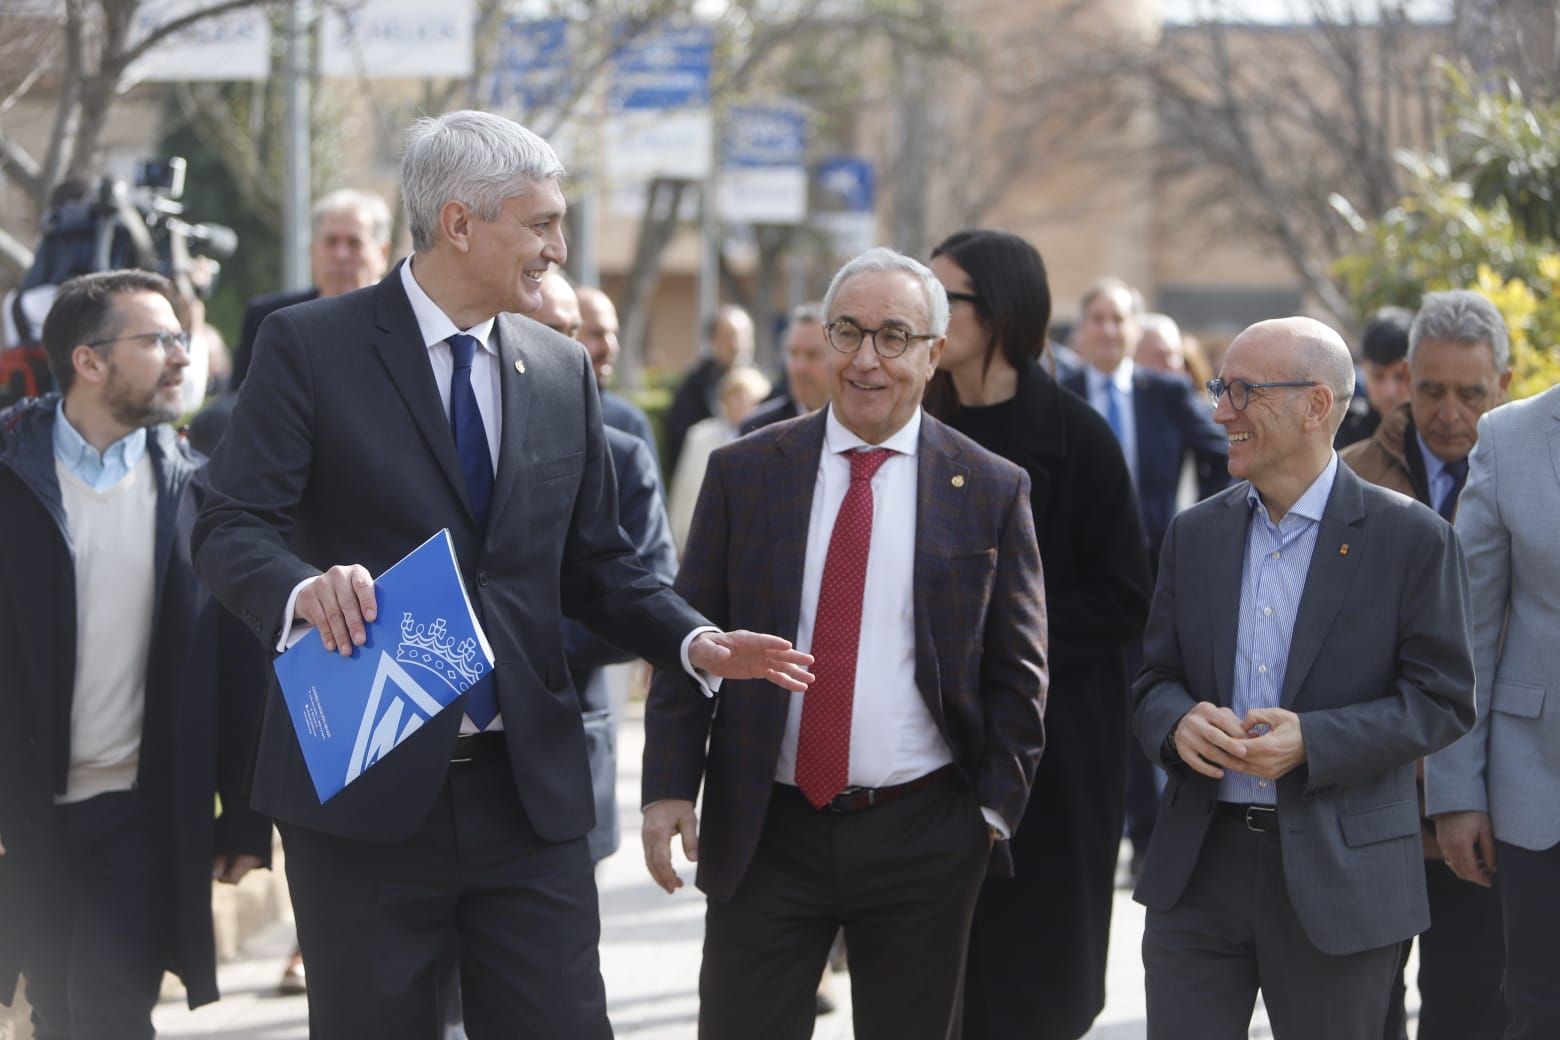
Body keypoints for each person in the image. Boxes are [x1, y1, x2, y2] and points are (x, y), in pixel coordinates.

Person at [191, 110, 812, 1038]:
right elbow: (231, 521)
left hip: (528, 798)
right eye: (541, 224)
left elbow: (599, 563)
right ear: (457, 223)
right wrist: (300, 589)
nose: (559, 248)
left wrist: (691, 637)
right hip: (364, 795)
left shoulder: (562, 369)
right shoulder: (309, 346)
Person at [641, 246, 1048, 1040]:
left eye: (894, 336)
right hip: (767, 828)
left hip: (924, 833)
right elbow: (689, 639)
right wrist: (666, 788)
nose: (868, 359)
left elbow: (1019, 670)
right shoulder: (747, 472)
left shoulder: (992, 489)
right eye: (849, 332)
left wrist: (989, 817)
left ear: (935, 353)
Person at [1132, 316, 1476, 1040]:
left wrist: (1313, 742)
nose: (1220, 410)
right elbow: (1151, 678)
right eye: (1219, 388)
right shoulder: (1195, 534)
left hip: (1340, 876)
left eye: (1242, 391)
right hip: (1199, 870)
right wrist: (1176, 721)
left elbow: (1442, 701)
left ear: (1316, 406)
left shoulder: (1413, 539)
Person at [0, 270, 272, 1036]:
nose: (182, 356)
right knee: (55, 1007)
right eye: (156, 340)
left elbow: (237, 668)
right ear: (89, 362)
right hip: (23, 814)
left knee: (107, 1012)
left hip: (141, 817)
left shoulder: (198, 493)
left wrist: (245, 821)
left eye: (183, 338)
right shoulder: (10, 477)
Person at [926, 229, 1152, 1040]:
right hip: (928, 747)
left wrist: (1003, 631)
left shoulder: (1078, 437)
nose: (925, 313)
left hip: (1054, 753)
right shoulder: (910, 425)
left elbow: (1127, 598)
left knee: (1039, 980)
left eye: (942, 297)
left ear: (1000, 309)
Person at [1341, 291, 1511, 1040]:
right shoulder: (1344, 480)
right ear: (1404, 378)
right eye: (1431, 388)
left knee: (1472, 1006)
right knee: (1359, 1009)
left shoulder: (1534, 479)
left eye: (1470, 393)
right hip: (1369, 796)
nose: (1449, 411)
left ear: (1503, 386)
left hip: (1485, 800)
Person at [1062, 277, 1230, 876]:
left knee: (1148, 702)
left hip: (1154, 577)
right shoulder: (1062, 393)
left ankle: (1148, 840)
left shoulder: (1164, 393)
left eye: (1119, 319)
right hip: (1077, 586)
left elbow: (1225, 452)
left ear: (1136, 330)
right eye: (1098, 319)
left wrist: (1204, 525)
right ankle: (1093, 836)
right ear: (1081, 331)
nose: (1108, 330)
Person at [1423, 382, 1560, 1037]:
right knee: (1539, 1006)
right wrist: (1455, 792)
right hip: (1540, 789)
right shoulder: (1510, 437)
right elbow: (1467, 629)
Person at [532, 269, 679, 862]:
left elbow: (644, 587)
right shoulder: (448, 438)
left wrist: (514, 637)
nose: (578, 352)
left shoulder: (623, 451)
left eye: (579, 333)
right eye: (553, 332)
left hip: (566, 747)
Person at [227, 188, 394, 390]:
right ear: (313, 250)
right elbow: (237, 402)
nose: (341, 255)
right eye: (331, 242)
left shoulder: (404, 321)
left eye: (354, 243)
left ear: (383, 253)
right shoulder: (268, 318)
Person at [667, 365, 771, 552]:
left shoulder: (771, 441)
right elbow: (683, 491)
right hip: (701, 542)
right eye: (735, 396)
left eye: (749, 398)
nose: (742, 404)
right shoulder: (700, 435)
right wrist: (678, 544)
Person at [662, 303, 754, 474]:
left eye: (743, 336)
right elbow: (678, 439)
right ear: (713, 341)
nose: (736, 345)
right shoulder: (693, 386)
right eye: (728, 337)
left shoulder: (763, 385)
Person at [576, 285, 660, 471]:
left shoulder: (628, 422)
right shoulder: (529, 411)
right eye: (597, 334)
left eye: (614, 333)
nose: (610, 347)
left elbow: (651, 497)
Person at [740, 302, 831, 434]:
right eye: (793, 354)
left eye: (813, 355)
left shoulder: (862, 425)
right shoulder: (759, 429)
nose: (800, 368)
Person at [1336, 306, 1414, 449]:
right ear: (1363, 369)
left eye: (1400, 377)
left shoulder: (1436, 436)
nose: (1389, 391)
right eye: (1378, 376)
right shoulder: (1342, 435)